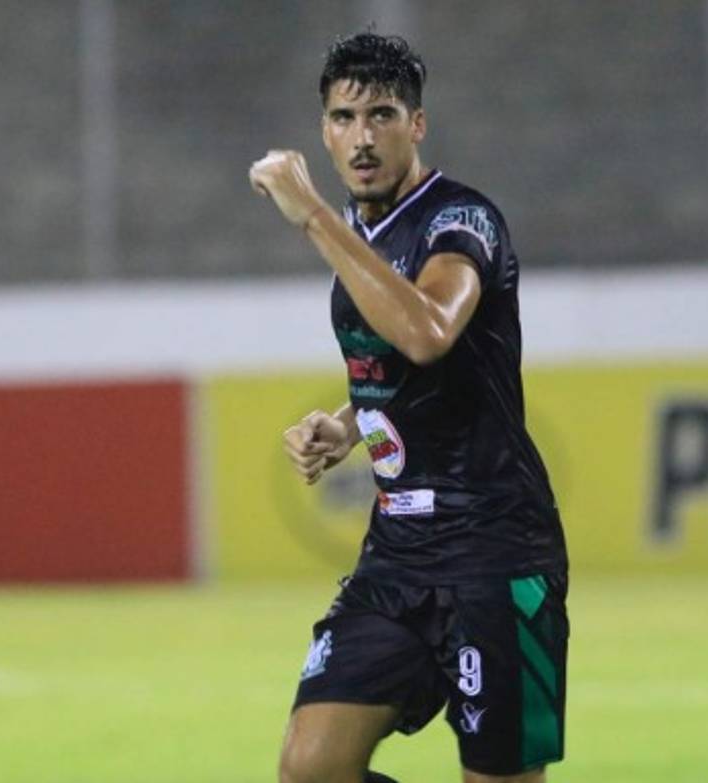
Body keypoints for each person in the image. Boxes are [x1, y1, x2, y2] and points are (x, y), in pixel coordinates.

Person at [249, 31, 569, 783]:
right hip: (398, 553)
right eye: (343, 118)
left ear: (417, 124)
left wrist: (313, 217)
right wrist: (351, 423)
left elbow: (428, 333)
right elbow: (401, 373)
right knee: (310, 768)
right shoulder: (364, 237)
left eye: (382, 115)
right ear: (325, 129)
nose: (362, 138)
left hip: (493, 546)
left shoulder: (462, 221)